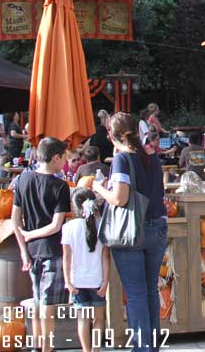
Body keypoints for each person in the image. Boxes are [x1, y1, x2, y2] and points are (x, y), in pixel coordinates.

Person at [91, 113, 167, 352]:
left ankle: (142, 348)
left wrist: (97, 188)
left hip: (132, 231)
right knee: (150, 290)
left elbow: (120, 199)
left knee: (135, 293)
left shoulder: (123, 159)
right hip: (158, 226)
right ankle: (151, 346)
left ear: (110, 135)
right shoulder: (151, 156)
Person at [12, 137, 71, 352]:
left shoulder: (23, 180)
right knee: (48, 304)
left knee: (38, 300)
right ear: (55, 158)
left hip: (32, 251)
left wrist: (24, 248)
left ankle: (38, 344)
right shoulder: (60, 186)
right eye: (64, 157)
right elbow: (56, 225)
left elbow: (14, 218)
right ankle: (47, 347)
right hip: (53, 249)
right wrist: (30, 235)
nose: (65, 161)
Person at [61, 188, 110, 352]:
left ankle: (86, 350)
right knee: (99, 319)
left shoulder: (68, 228)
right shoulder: (102, 225)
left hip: (77, 282)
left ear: (74, 207)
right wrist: (105, 281)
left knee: (83, 319)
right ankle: (96, 350)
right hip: (97, 280)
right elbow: (106, 257)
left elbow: (67, 258)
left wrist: (67, 282)